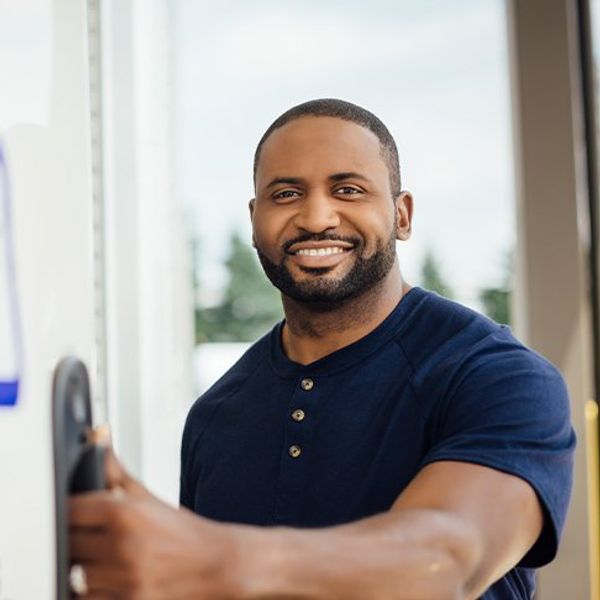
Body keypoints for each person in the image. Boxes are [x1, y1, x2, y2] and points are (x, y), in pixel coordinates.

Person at [70, 99, 575, 599]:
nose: (315, 217)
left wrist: (214, 559)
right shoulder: (216, 413)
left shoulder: (500, 378)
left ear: (401, 214)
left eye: (348, 189)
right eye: (286, 194)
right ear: (254, 219)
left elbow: (445, 562)